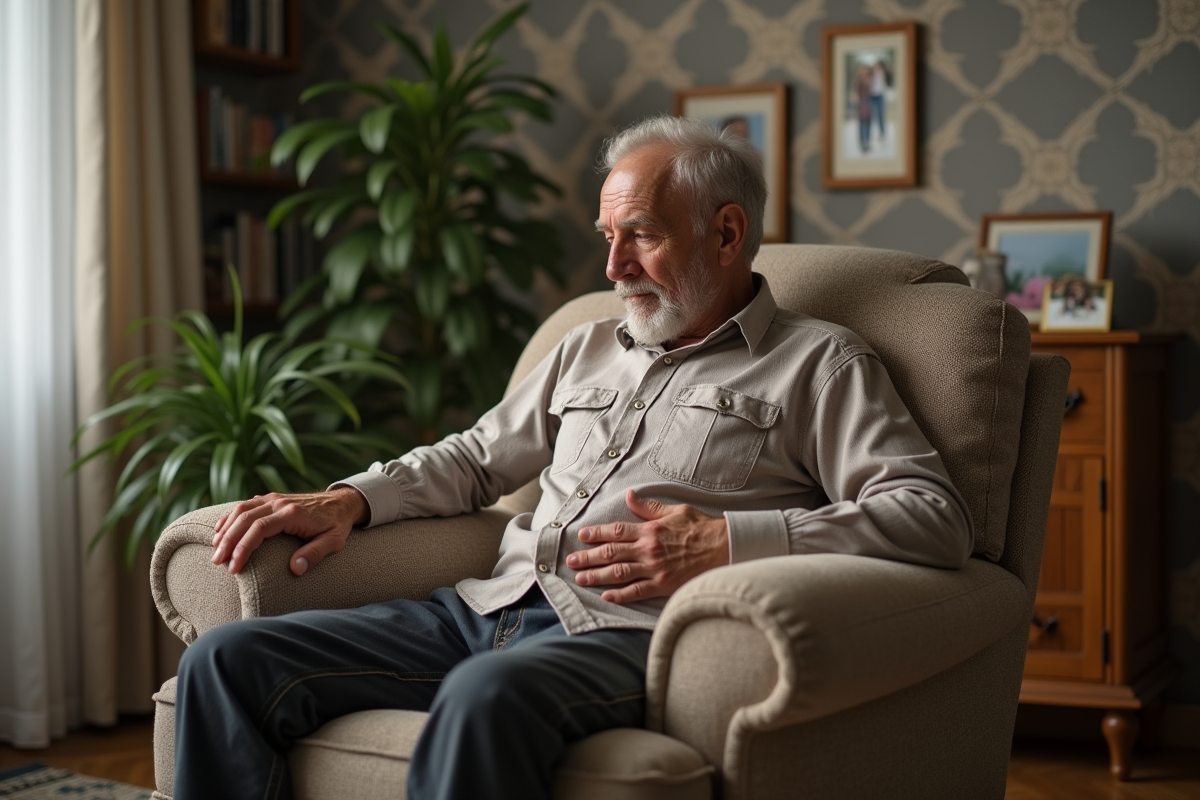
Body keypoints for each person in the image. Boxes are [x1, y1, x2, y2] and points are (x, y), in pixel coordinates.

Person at [175, 114, 972, 800]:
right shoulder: (585, 346)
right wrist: (350, 498)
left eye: (643, 237)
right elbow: (477, 459)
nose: (614, 267)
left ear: (727, 232)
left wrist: (724, 543)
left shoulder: (819, 364)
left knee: (487, 697)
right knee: (227, 660)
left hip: (626, 633)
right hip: (481, 610)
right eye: (609, 237)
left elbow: (932, 519)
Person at [854, 64, 874, 153]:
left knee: (868, 124)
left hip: (869, 104)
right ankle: (862, 144)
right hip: (862, 104)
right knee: (862, 124)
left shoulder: (870, 81)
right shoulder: (858, 82)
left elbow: (873, 92)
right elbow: (855, 92)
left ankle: (867, 143)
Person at [870, 59, 891, 141]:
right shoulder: (872, 74)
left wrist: (885, 75)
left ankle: (882, 134)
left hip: (880, 96)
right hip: (873, 96)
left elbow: (888, 84)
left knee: (881, 115)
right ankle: (873, 135)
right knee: (873, 115)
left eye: (879, 67)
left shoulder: (884, 74)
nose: (877, 68)